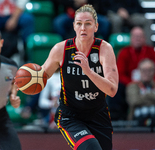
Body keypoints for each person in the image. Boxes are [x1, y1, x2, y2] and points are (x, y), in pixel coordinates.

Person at [41, 4, 118, 150]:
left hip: (98, 113)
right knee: (90, 148)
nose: (83, 28)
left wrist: (88, 71)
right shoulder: (61, 49)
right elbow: (41, 77)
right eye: (79, 23)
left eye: (88, 23)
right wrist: (21, 82)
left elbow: (112, 90)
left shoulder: (104, 49)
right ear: (74, 26)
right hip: (71, 115)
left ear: (96, 27)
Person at [106, 26, 155, 120]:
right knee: (115, 88)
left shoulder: (150, 51)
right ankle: (117, 118)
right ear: (131, 38)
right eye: (135, 36)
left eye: (140, 36)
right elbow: (119, 74)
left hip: (149, 82)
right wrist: (132, 83)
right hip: (130, 83)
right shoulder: (124, 52)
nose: (138, 39)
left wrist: (150, 81)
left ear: (144, 38)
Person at [126, 58, 155, 126]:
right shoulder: (132, 86)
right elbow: (134, 101)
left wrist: (143, 96)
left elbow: (138, 100)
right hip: (135, 124)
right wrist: (152, 96)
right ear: (139, 71)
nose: (147, 73)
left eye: (150, 70)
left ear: (153, 71)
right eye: (144, 70)